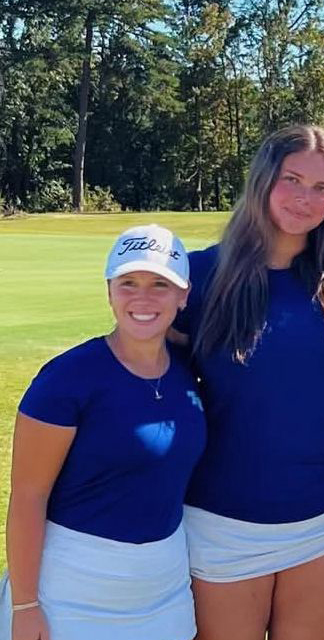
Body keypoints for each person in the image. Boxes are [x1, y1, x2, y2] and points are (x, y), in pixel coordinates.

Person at [172, 124, 324, 640]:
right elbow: (150, 382)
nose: (305, 199)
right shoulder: (200, 280)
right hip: (222, 519)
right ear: (264, 181)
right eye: (292, 179)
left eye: (322, 188)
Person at [2, 225, 205, 640]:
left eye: (160, 284)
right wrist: (25, 606)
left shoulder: (192, 370)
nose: (143, 298)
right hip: (71, 591)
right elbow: (27, 496)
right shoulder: (66, 379)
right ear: (110, 291)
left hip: (164, 589)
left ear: (183, 295)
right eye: (128, 283)